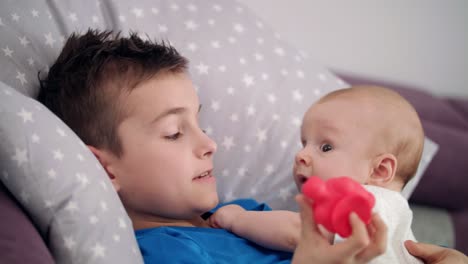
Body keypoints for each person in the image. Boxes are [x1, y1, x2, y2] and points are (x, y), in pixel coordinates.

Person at [37, 29, 466, 264]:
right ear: (105, 169)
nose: (209, 143)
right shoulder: (166, 251)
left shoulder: (248, 212)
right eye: (174, 132)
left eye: (199, 123)